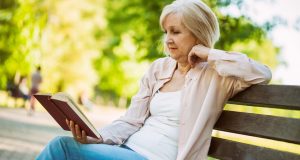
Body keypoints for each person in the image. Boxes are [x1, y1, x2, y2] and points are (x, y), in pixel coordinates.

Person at [36, 0, 272, 159]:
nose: (168, 39)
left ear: (199, 33)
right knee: (70, 146)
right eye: (166, 31)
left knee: (61, 148)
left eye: (176, 32)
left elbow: (262, 74)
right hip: (128, 150)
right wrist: (97, 138)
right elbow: (131, 120)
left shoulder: (217, 75)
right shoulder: (159, 68)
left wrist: (209, 54)